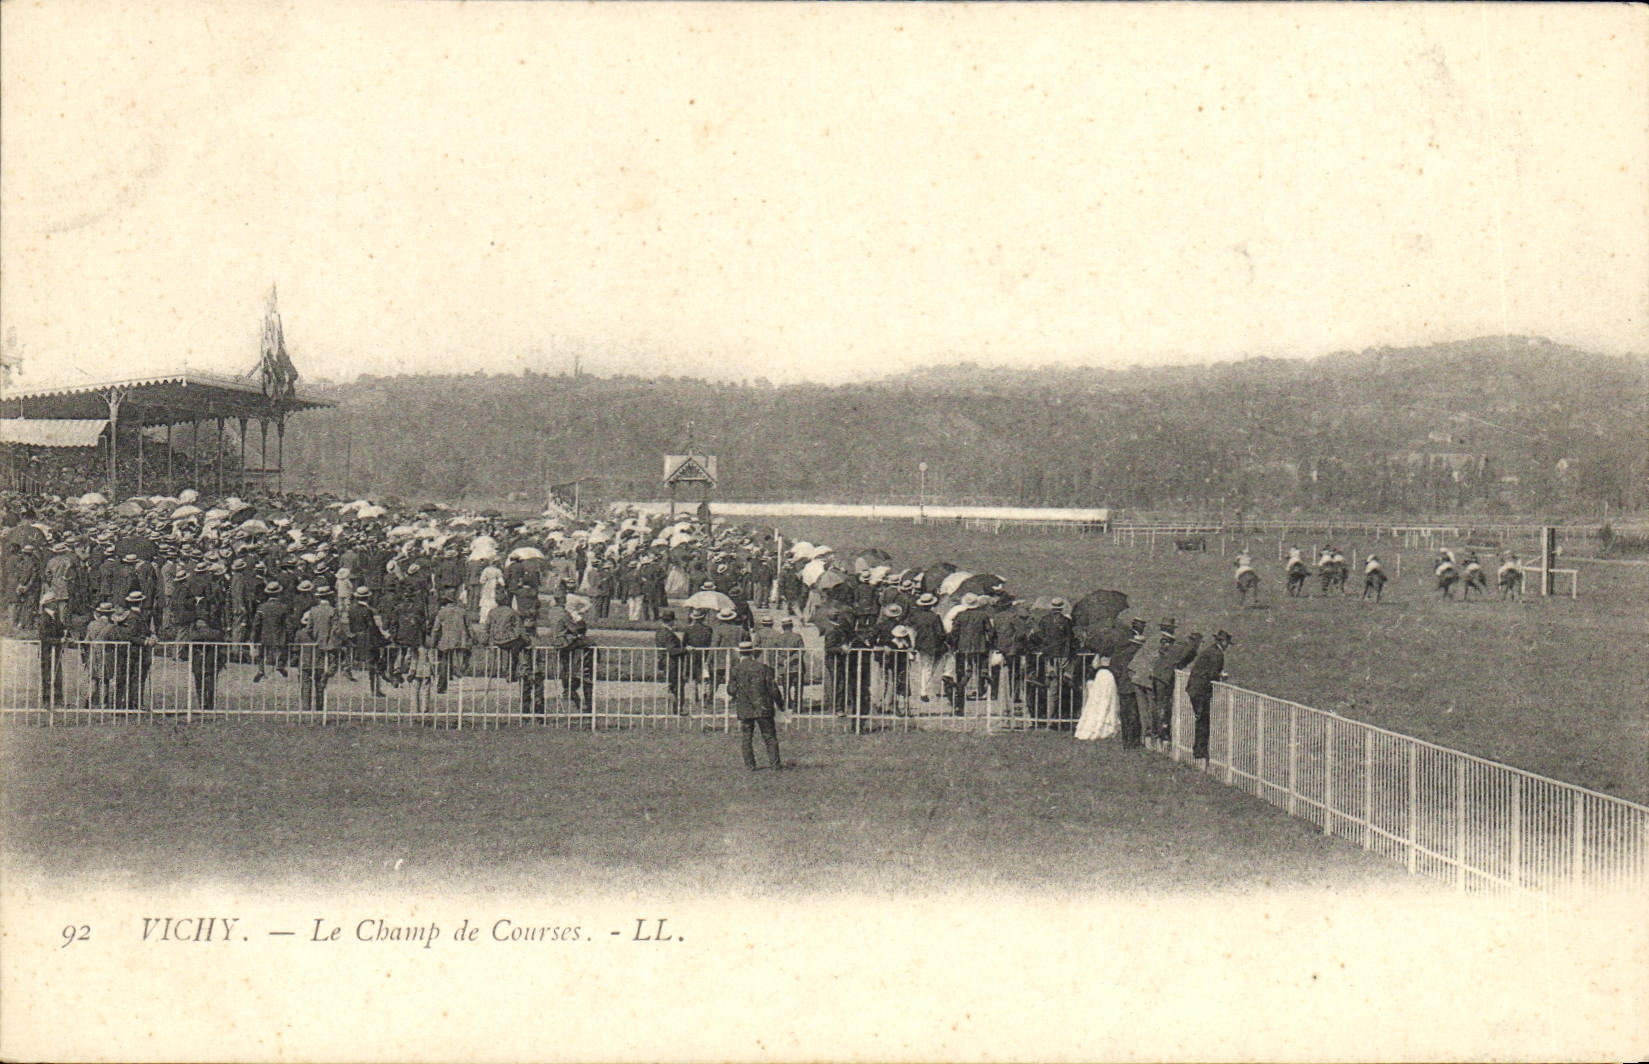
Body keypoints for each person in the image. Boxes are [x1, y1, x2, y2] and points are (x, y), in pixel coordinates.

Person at [726, 640, 784, 770]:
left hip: (745, 708)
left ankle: (750, 766)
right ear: (752, 653)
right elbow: (773, 689)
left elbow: (731, 690)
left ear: (740, 653)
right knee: (769, 736)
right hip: (764, 707)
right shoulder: (763, 668)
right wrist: (781, 704)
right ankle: (775, 765)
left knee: (746, 738)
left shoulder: (735, 670)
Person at [1187, 630, 1233, 762]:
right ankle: (1200, 752)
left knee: (1201, 719)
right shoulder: (1217, 654)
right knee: (1202, 720)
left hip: (1194, 688)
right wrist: (1221, 676)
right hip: (1200, 690)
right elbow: (1212, 673)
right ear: (1223, 642)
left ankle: (1199, 751)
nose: (1227, 646)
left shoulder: (1210, 650)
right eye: (1227, 643)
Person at [1073, 655, 1121, 741]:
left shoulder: (1100, 653)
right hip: (1108, 675)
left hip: (1101, 675)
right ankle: (1106, 728)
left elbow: (1094, 665)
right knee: (1107, 701)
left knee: (1097, 701)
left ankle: (1096, 727)